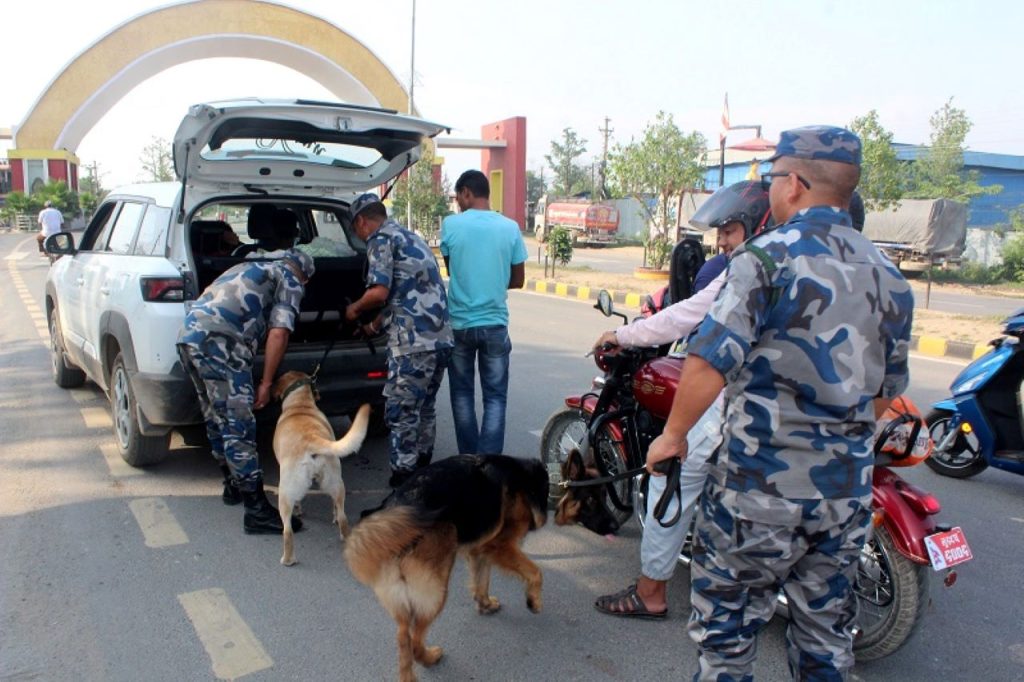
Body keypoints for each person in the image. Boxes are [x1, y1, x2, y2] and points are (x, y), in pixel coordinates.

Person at [645, 126, 914, 680]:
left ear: (793, 184)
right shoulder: (890, 277)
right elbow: (888, 393)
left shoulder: (766, 258)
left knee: (727, 639)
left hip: (757, 493)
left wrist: (672, 439)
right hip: (841, 498)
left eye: (771, 178)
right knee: (825, 641)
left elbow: (707, 362)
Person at [590, 181, 772, 619]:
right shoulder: (845, 261)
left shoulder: (755, 265)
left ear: (757, 223)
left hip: (736, 400)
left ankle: (650, 591)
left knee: (670, 477)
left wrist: (624, 333)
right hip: (795, 416)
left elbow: (688, 317)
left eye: (729, 229)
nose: (722, 240)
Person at [177, 231, 316, 535]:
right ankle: (256, 510)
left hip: (189, 337)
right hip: (222, 343)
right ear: (304, 275)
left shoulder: (244, 267)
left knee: (216, 414)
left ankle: (232, 485)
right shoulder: (289, 277)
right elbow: (279, 332)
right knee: (239, 424)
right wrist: (266, 383)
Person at [345, 193, 453, 488]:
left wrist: (354, 309)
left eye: (355, 229)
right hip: (440, 340)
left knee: (403, 412)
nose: (358, 234)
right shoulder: (412, 238)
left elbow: (379, 293)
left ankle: (404, 485)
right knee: (425, 408)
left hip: (413, 345)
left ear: (361, 221)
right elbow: (405, 295)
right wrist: (372, 327)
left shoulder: (380, 240)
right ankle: (423, 473)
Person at [440, 170, 527, 455]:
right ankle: (489, 468)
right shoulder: (511, 228)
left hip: (461, 326)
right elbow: (518, 280)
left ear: (466, 192)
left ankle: (468, 463)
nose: (458, 203)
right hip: (494, 325)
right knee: (495, 399)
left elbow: (453, 269)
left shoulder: (451, 225)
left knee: (462, 396)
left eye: (458, 197)